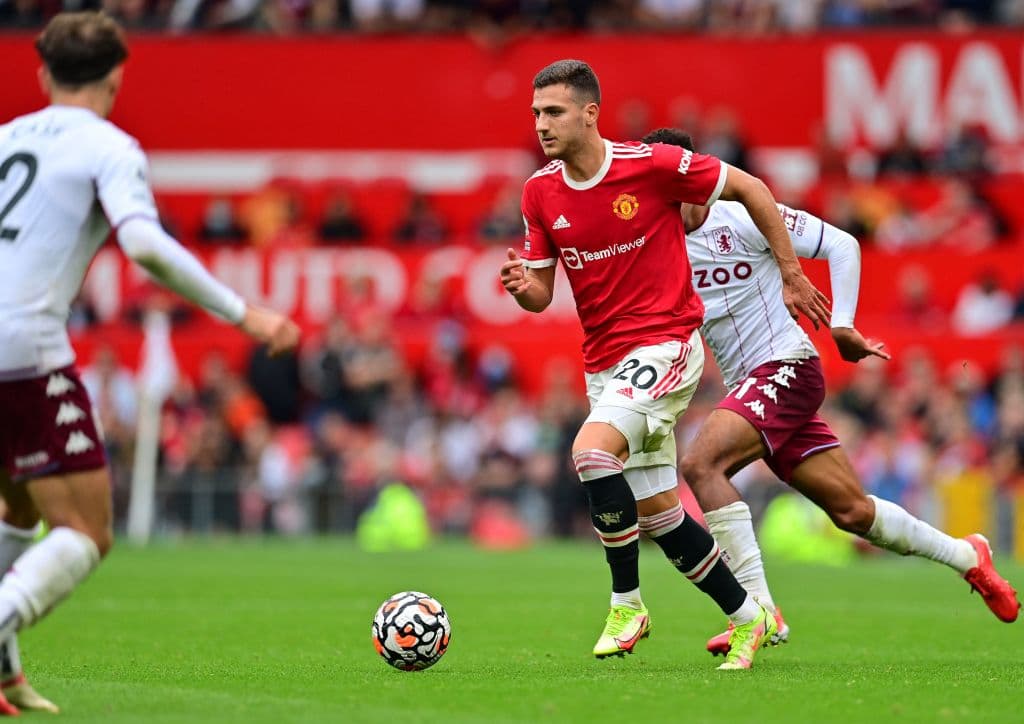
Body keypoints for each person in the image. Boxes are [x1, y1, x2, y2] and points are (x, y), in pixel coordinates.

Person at [0, 11, 301, 714]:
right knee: (87, 531)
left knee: (15, 505)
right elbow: (145, 245)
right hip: (26, 349)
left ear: (43, 73)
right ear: (117, 76)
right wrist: (245, 313)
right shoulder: (110, 147)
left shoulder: (5, 138)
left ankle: (4, 671)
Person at [637, 127, 1020, 657]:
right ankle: (968, 556)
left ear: (688, 171)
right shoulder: (654, 242)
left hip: (787, 367)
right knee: (854, 513)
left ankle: (760, 611)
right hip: (755, 389)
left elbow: (843, 243)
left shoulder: (744, 213)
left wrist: (842, 323)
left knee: (702, 465)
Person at [499, 59, 831, 671]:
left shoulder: (649, 165)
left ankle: (627, 603)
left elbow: (753, 188)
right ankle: (747, 616)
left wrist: (789, 272)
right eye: (536, 113)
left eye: (554, 112)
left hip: (666, 345)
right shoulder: (539, 192)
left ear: (589, 113)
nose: (541, 124)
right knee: (658, 515)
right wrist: (522, 286)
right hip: (603, 364)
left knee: (591, 452)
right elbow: (542, 294)